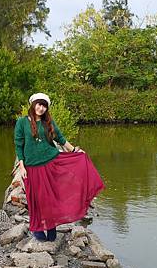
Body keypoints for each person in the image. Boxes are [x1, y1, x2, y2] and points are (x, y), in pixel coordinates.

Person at [14, 92, 104, 242]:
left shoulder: (47, 122)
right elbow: (19, 145)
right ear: (33, 104)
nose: (41, 108)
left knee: (51, 197)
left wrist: (75, 150)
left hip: (51, 162)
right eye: (39, 104)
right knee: (36, 198)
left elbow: (61, 139)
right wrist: (22, 166)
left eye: (44, 106)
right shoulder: (22, 122)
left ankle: (50, 226)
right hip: (31, 166)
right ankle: (36, 227)